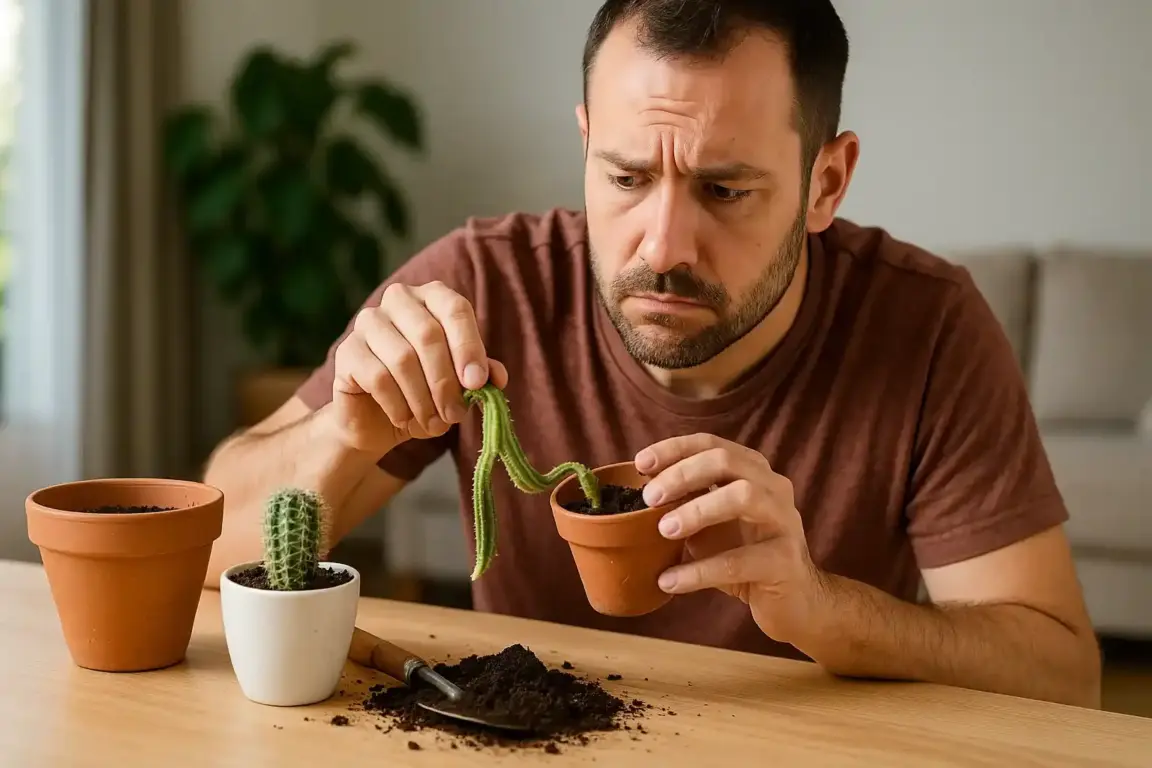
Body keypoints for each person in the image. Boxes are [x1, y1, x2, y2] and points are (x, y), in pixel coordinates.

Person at [201, 0, 1101, 708]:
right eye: (627, 179)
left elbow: (1064, 675)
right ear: (587, 141)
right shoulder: (486, 282)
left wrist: (825, 609)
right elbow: (211, 548)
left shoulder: (928, 325)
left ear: (825, 181)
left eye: (724, 189)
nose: (662, 245)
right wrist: (341, 438)